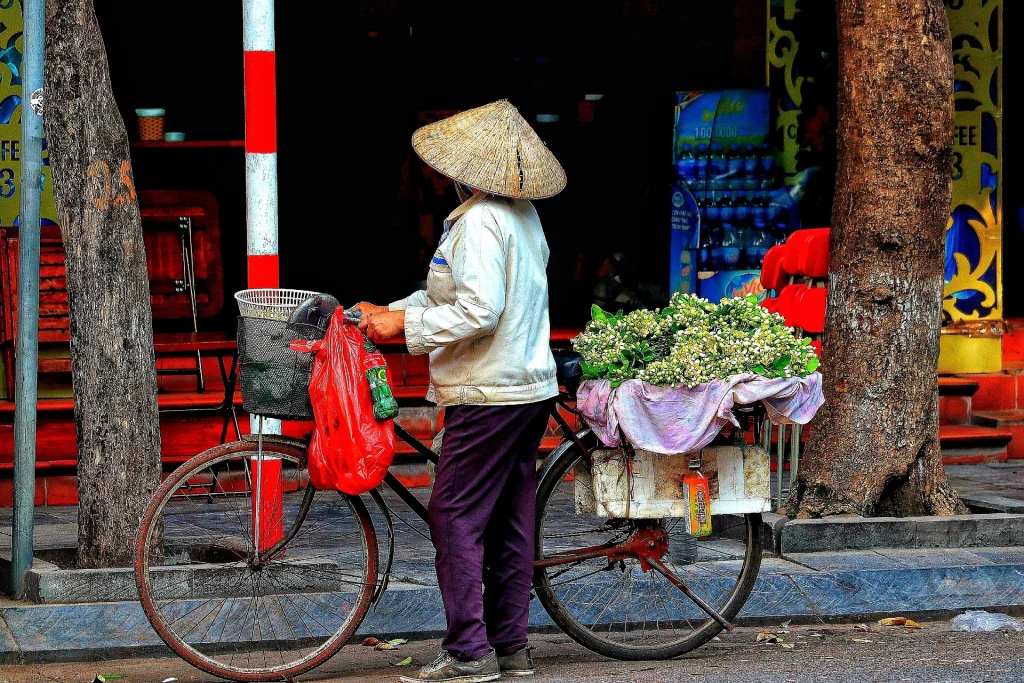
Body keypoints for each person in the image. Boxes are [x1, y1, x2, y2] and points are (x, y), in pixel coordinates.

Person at [354, 100, 566, 683]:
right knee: (509, 521)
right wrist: (391, 311)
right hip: (526, 388)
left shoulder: (477, 221)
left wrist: (407, 328)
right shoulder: (520, 214)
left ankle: (470, 653)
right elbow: (451, 296)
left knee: (453, 515)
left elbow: (478, 310)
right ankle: (512, 649)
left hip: (487, 392)